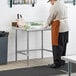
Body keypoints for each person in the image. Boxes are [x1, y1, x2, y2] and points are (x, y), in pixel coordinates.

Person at [45, 0, 69, 68]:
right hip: (66, 27)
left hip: (59, 27)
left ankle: (57, 63)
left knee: (56, 45)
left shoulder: (54, 6)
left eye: (50, 1)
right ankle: (62, 61)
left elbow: (51, 17)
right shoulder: (63, 3)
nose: (50, 3)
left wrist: (45, 25)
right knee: (63, 44)